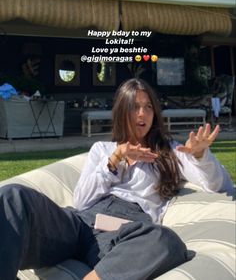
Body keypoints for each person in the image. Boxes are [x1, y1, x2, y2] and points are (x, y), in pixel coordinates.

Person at [0, 78, 233, 280]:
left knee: (165, 241)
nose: (142, 114)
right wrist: (115, 159)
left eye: (148, 107)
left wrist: (201, 156)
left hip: (123, 234)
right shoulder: (103, 149)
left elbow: (218, 185)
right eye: (134, 107)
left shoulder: (169, 152)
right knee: (12, 196)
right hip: (79, 224)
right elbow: (82, 200)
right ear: (122, 111)